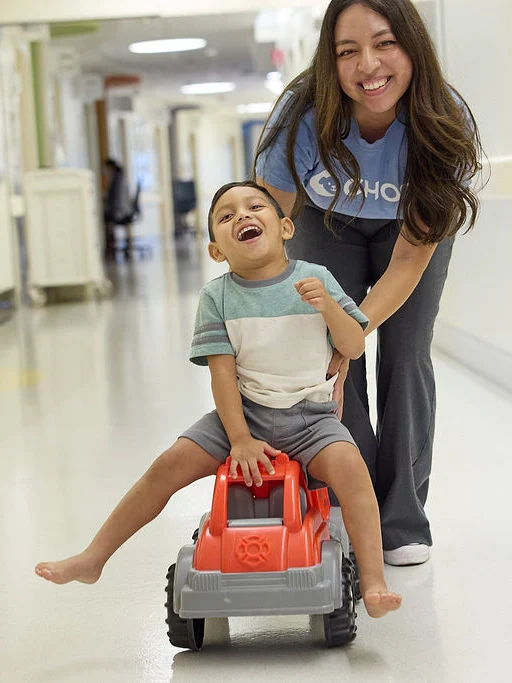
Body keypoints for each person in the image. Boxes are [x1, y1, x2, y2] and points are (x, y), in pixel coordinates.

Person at [35, 181, 401, 619]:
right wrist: (240, 438)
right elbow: (222, 376)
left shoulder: (316, 277)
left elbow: (354, 347)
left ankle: (374, 580)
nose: (241, 217)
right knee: (166, 466)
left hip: (313, 419)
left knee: (353, 471)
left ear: (285, 227)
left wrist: (329, 307)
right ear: (216, 251)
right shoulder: (217, 297)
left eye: (253, 208)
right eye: (226, 217)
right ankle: (93, 558)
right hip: (241, 414)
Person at [254, 0, 483, 566]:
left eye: (385, 44)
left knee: (404, 353)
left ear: (411, 46)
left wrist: (351, 327)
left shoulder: (443, 122)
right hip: (322, 218)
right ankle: (347, 500)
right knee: (326, 357)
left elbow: (408, 262)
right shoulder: (300, 115)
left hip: (410, 230)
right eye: (347, 50)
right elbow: (266, 236)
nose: (368, 65)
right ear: (329, 61)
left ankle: (402, 519)